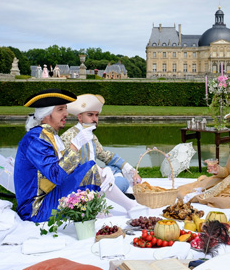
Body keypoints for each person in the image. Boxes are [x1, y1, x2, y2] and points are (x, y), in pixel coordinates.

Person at [14, 89, 146, 223]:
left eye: (65, 109)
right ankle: (131, 206)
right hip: (35, 209)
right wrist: (75, 146)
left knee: (92, 169)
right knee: (93, 172)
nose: (66, 114)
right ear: (46, 114)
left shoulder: (49, 135)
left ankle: (129, 206)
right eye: (60, 110)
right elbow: (57, 175)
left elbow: (72, 170)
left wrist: (100, 171)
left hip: (49, 196)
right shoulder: (36, 138)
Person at [61, 94, 142, 193]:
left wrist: (132, 172)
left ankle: (111, 186)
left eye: (96, 115)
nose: (94, 119)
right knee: (123, 183)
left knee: (116, 168)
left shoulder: (91, 136)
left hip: (93, 176)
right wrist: (99, 171)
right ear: (80, 117)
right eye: (90, 115)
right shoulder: (70, 135)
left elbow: (106, 156)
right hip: (79, 184)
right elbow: (65, 167)